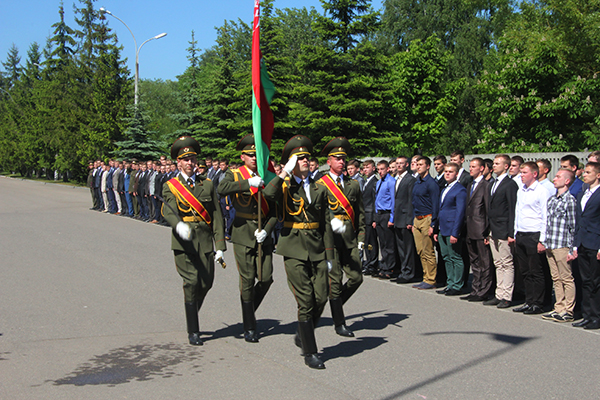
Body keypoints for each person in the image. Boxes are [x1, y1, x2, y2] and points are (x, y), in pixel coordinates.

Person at [262, 135, 334, 370]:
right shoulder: (283, 186)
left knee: (321, 297)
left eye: (306, 157)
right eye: (299, 157)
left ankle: (303, 333)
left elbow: (325, 224)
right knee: (305, 300)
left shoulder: (319, 187)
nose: (305, 160)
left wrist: (330, 256)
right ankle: (310, 352)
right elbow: (267, 195)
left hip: (317, 248)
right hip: (293, 247)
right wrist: (284, 173)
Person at [162, 136, 227, 346]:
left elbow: (217, 215)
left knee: (206, 283)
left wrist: (220, 246)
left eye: (193, 159)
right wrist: (178, 225)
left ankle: (191, 311)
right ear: (178, 163)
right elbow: (168, 210)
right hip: (185, 242)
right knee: (191, 282)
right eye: (186, 160)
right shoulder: (171, 186)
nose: (190, 163)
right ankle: (194, 330)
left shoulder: (206, 185)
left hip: (205, 241)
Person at [217, 135, 277, 343]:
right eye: (250, 155)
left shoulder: (267, 176)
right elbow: (221, 189)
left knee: (266, 278)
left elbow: (276, 209)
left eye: (256, 154)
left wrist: (267, 230)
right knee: (248, 278)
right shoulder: (234, 175)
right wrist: (246, 183)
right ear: (242, 157)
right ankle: (249, 324)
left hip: (263, 234)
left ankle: (248, 309)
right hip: (242, 233)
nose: (254, 158)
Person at [317, 137, 365, 338]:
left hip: (349, 239)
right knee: (334, 281)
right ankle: (340, 322)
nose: (341, 162)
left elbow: (360, 212)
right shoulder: (320, 185)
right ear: (329, 161)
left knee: (356, 278)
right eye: (337, 159)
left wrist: (361, 236)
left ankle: (335, 304)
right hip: (330, 240)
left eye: (343, 159)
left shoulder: (352, 185)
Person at [512, 162, 550, 315]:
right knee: (525, 271)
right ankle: (528, 301)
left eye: (524, 172)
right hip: (521, 233)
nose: (521, 175)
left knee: (536, 271)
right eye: (520, 172)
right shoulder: (521, 190)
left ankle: (537, 303)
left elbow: (546, 216)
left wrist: (542, 239)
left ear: (534, 174)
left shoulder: (542, 191)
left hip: (534, 234)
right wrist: (515, 232)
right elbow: (518, 212)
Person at [539, 169, 577, 323]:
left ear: (567, 181)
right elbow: (547, 222)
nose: (555, 179)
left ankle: (568, 310)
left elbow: (573, 226)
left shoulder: (570, 201)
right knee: (556, 278)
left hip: (562, 245)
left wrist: (572, 248)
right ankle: (559, 307)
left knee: (566, 278)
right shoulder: (552, 200)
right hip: (551, 243)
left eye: (558, 177)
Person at [568, 162, 600, 329]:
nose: (584, 175)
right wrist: (575, 245)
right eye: (584, 172)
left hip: (595, 242)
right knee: (585, 281)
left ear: (598, 175)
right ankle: (587, 315)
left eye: (588, 172)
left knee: (595, 282)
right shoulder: (582, 194)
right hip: (582, 242)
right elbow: (579, 221)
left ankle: (596, 316)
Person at [486, 155, 518, 308]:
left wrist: (511, 232)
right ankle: (499, 294)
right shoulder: (493, 182)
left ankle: (507, 295)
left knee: (507, 263)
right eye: (494, 163)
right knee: (498, 263)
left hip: (504, 229)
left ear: (506, 166)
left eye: (497, 163)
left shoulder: (509, 184)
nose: (494, 165)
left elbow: (512, 209)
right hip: (493, 228)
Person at [461, 157, 492, 302]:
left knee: (484, 262)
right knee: (475, 262)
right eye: (470, 166)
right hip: (470, 228)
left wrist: (487, 232)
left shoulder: (486, 185)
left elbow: (487, 210)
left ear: (482, 168)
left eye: (474, 166)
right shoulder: (470, 185)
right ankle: (475, 289)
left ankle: (483, 291)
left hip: (480, 229)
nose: (471, 169)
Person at [434, 163, 467, 296]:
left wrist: (456, 232)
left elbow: (460, 213)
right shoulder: (445, 188)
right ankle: (450, 282)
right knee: (446, 257)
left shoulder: (460, 190)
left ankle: (457, 285)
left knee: (455, 257)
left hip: (452, 228)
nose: (447, 174)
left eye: (451, 172)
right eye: (446, 171)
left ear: (457, 174)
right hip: (442, 228)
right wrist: (436, 229)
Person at [411, 156, 440, 290]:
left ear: (428, 166)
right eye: (417, 164)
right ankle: (425, 276)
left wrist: (433, 224)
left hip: (427, 218)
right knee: (420, 250)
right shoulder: (418, 182)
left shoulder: (431, 183)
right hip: (417, 219)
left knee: (428, 251)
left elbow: (435, 205)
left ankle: (431, 279)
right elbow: (414, 202)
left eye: (421, 164)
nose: (418, 166)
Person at [392, 156, 418, 283]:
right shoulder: (397, 179)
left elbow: (410, 201)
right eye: (397, 163)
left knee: (407, 248)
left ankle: (408, 273)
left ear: (407, 165)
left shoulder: (410, 180)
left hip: (405, 217)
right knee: (400, 248)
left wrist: (409, 220)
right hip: (397, 217)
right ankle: (403, 271)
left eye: (401, 163)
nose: (399, 165)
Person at [373, 160, 396, 279]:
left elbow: (393, 200)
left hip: (387, 214)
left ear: (388, 169)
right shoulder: (379, 182)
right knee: (382, 242)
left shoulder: (391, 182)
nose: (380, 172)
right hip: (379, 214)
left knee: (389, 243)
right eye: (378, 169)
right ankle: (384, 265)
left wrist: (392, 218)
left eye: (382, 169)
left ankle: (389, 267)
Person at [361, 159, 379, 276]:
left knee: (371, 241)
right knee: (366, 241)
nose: (366, 170)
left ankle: (373, 264)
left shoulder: (374, 182)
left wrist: (373, 219)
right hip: (365, 215)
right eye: (364, 167)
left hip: (370, 215)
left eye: (368, 167)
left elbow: (374, 201)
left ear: (373, 168)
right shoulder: (366, 181)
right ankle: (368, 262)